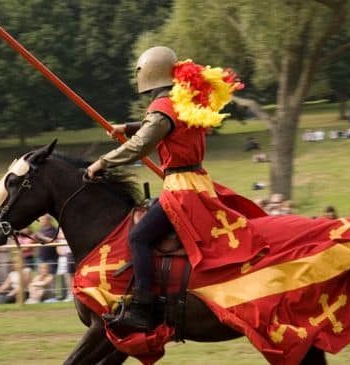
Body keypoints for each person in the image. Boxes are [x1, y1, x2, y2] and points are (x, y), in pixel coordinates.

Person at [86, 46, 262, 330]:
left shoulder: (161, 107)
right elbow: (162, 126)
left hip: (181, 189)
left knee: (139, 238)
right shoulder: (184, 101)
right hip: (197, 183)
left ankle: (143, 308)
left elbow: (143, 143)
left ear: (147, 75)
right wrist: (128, 127)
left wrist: (102, 163)